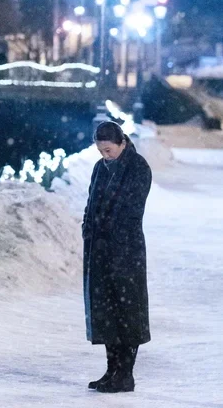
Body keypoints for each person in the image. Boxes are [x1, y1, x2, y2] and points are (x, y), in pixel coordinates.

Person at [82, 121, 152, 393]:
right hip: (99, 249)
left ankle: (125, 374)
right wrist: (88, 229)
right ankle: (112, 370)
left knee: (127, 311)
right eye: (101, 151)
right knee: (107, 312)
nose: (105, 155)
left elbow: (132, 209)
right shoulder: (100, 168)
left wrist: (109, 233)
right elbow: (91, 203)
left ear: (122, 143)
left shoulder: (138, 167)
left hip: (125, 250)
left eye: (109, 150)